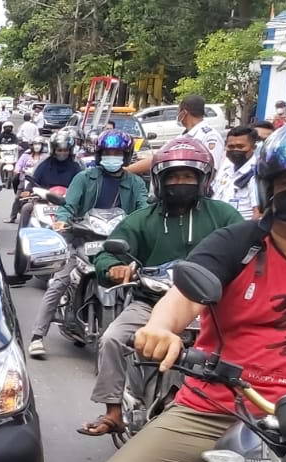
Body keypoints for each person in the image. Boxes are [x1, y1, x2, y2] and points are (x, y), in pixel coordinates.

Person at [60, 126, 286, 462]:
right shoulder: (239, 242)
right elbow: (185, 293)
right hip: (224, 406)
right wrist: (163, 327)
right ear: (269, 189)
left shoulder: (219, 214)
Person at [75, 137, 242, 437]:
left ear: (203, 179)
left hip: (209, 310)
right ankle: (112, 412)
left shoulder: (224, 216)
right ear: (160, 181)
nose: (181, 182)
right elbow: (107, 254)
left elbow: (245, 253)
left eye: (188, 176)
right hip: (149, 302)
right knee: (113, 338)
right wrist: (113, 268)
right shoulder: (143, 219)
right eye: (174, 177)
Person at [28, 129, 148, 359]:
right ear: (100, 154)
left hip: (117, 245)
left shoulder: (135, 183)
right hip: (84, 238)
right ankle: (37, 336)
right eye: (108, 152)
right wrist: (62, 220)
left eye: (117, 152)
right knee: (59, 282)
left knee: (143, 284)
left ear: (126, 155)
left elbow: (143, 209)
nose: (112, 156)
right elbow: (69, 205)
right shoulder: (84, 178)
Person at [217, 124, 259, 217]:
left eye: (240, 147)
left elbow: (258, 213)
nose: (235, 150)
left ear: (253, 148)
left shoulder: (257, 174)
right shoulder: (225, 168)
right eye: (231, 147)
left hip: (240, 228)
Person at [7, 139, 46, 223]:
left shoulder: (45, 157)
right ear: (32, 146)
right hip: (24, 179)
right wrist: (17, 170)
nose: (37, 146)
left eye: (39, 144)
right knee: (18, 198)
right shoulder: (25, 155)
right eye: (35, 144)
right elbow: (18, 165)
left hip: (38, 181)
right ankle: (12, 217)